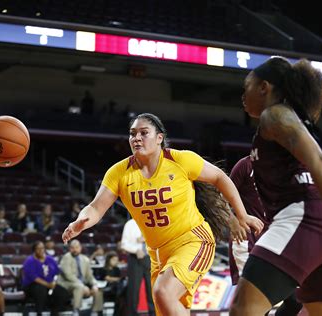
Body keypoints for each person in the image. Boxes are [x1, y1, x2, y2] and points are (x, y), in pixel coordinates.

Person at [62, 112, 263, 316]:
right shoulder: (119, 172)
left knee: (163, 292)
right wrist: (81, 221)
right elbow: (96, 207)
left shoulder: (180, 160)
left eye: (143, 133)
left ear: (159, 138)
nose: (136, 138)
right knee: (170, 307)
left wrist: (241, 214)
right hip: (158, 255)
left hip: (193, 241)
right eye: (132, 134)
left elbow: (220, 177)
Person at [229, 56, 322, 316]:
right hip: (320, 229)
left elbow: (318, 159)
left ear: (264, 87)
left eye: (246, 85)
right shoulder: (288, 117)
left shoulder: (275, 114)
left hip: (302, 219)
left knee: (242, 309)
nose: (242, 94)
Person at [228, 156, 302, 316]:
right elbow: (221, 197)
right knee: (256, 301)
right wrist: (232, 220)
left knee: (296, 301)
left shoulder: (285, 169)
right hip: (246, 238)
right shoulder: (244, 165)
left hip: (275, 239)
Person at [22, 241, 70, 315]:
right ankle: (39, 313)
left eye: (42, 248)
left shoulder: (50, 259)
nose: (41, 250)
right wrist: (48, 285)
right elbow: (34, 278)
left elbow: (57, 272)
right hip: (32, 285)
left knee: (63, 292)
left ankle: (54, 312)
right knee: (40, 290)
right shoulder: (29, 261)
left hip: (49, 284)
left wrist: (54, 282)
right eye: (38, 249)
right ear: (34, 250)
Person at [57, 240, 103, 315]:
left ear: (80, 248)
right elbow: (68, 275)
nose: (75, 250)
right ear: (69, 248)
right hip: (66, 283)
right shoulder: (66, 257)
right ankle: (76, 310)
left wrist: (94, 284)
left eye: (77, 247)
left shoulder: (85, 259)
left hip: (80, 283)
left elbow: (89, 276)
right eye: (72, 248)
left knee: (98, 289)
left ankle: (96, 312)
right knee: (79, 287)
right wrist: (83, 286)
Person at [121, 218, 155, 316]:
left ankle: (153, 313)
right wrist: (136, 250)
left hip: (150, 258)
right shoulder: (130, 224)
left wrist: (147, 240)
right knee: (134, 289)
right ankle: (132, 313)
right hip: (135, 258)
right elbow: (124, 244)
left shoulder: (152, 222)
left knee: (151, 288)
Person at [95, 251, 126, 316]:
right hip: (105, 289)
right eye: (114, 260)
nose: (116, 261)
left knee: (120, 296)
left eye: (117, 260)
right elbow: (107, 278)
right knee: (99, 295)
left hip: (114, 290)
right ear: (109, 260)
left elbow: (119, 279)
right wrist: (116, 279)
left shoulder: (117, 269)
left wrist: (115, 280)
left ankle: (116, 314)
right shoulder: (103, 269)